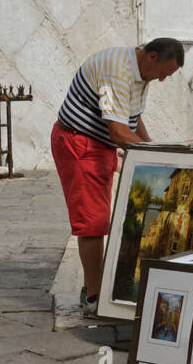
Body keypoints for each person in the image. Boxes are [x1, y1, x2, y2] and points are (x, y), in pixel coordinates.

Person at [52, 38, 185, 316]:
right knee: (92, 222)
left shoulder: (140, 73)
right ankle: (93, 296)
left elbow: (132, 119)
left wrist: (155, 148)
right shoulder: (118, 69)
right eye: (163, 72)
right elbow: (117, 131)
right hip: (79, 143)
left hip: (99, 146)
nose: (162, 80)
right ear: (150, 56)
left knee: (100, 217)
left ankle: (95, 286)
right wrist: (154, 156)